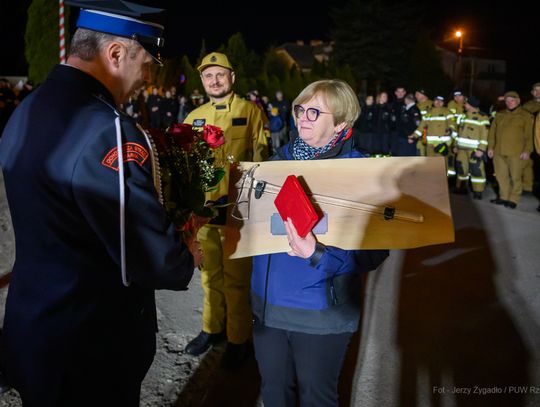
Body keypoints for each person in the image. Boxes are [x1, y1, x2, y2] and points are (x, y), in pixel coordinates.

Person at [0, 2, 199, 405]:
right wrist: (187, 252)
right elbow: (150, 259)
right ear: (116, 53)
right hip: (90, 347)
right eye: (147, 64)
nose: (147, 78)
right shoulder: (110, 130)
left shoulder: (28, 108)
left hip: (36, 327)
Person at [251, 79, 389, 407]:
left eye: (315, 112)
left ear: (340, 122)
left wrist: (317, 254)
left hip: (320, 316)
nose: (303, 117)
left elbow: (374, 251)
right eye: (300, 109)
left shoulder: (361, 172)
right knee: (273, 394)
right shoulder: (275, 161)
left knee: (317, 398)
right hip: (267, 311)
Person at [182, 52, 268, 368]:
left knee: (236, 281)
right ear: (202, 81)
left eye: (220, 74)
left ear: (232, 78)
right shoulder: (193, 117)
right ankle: (211, 328)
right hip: (204, 214)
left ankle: (238, 339)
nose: (214, 80)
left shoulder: (251, 112)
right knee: (208, 278)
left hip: (237, 213)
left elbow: (263, 158)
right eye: (208, 75)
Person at [488, 91, 534, 209]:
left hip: (516, 152)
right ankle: (503, 197)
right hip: (499, 151)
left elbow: (529, 135)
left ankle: (514, 199)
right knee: (500, 176)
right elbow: (492, 133)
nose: (509, 103)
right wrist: (491, 147)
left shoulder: (525, 116)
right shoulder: (500, 115)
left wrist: (527, 150)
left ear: (518, 101)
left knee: (515, 177)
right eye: (507, 101)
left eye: (512, 100)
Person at [453, 96, 490, 199]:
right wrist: (455, 145)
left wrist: (481, 149)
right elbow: (459, 132)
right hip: (461, 149)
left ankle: (478, 191)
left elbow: (485, 135)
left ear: (471, 105)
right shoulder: (463, 116)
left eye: (466, 103)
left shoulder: (482, 117)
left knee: (476, 170)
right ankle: (461, 188)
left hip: (474, 150)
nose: (464, 105)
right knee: (461, 169)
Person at [412, 95, 456, 176]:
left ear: (443, 103)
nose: (438, 103)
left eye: (441, 101)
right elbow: (421, 126)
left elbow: (453, 124)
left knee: (441, 165)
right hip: (430, 144)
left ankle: (442, 180)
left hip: (441, 144)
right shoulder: (428, 113)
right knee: (430, 164)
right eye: (436, 100)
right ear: (433, 101)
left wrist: (450, 130)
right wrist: (414, 136)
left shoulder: (448, 112)